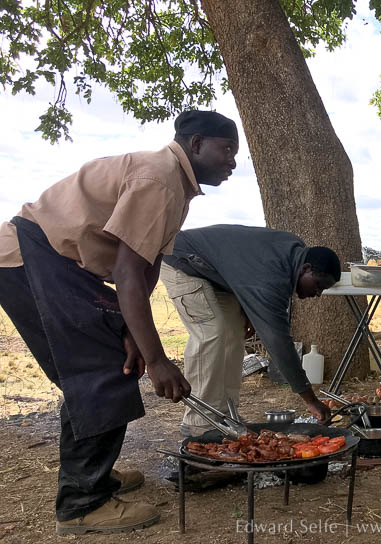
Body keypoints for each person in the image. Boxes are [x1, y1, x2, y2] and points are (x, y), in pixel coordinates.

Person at [0, 111, 239, 534]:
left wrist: (131, 331)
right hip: (32, 256)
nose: (232, 162)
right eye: (227, 150)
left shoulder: (175, 187)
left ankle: (94, 476)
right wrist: (158, 359)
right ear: (197, 143)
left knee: (108, 358)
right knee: (101, 368)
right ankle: (81, 504)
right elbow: (127, 274)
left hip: (56, 262)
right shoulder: (160, 178)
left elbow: (145, 268)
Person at [159, 224, 338, 434]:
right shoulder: (273, 276)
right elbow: (278, 343)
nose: (317, 294)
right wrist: (310, 399)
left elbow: (244, 270)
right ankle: (199, 421)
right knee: (213, 331)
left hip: (216, 275)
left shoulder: (293, 251)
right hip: (181, 261)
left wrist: (249, 308)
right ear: (306, 268)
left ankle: (226, 415)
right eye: (318, 285)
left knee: (235, 334)